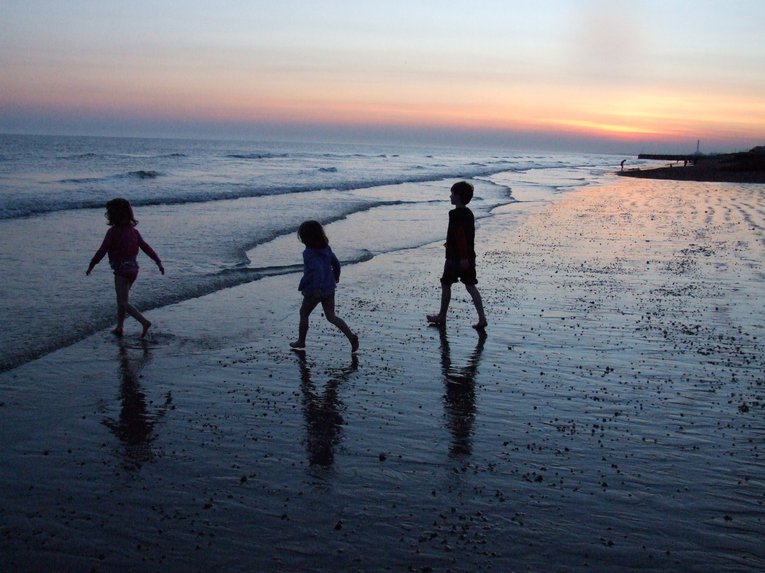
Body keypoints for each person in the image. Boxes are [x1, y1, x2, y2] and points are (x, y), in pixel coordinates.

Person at [86, 198, 164, 337]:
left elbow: (102, 250)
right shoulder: (134, 232)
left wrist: (92, 264)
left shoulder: (113, 232)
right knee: (122, 300)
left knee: (122, 302)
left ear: (113, 215)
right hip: (134, 270)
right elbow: (146, 248)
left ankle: (144, 321)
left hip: (121, 271)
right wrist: (158, 262)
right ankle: (120, 326)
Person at [290, 220, 359, 352]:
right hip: (329, 288)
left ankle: (301, 341)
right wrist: (336, 277)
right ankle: (351, 337)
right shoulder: (326, 249)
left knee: (303, 313)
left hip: (314, 290)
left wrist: (316, 288)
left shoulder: (309, 253)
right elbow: (336, 264)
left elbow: (318, 270)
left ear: (306, 238)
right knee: (331, 316)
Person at [427, 181, 487, 330]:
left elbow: (460, 235)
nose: (450, 196)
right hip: (467, 256)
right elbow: (463, 235)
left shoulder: (454, 214)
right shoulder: (469, 213)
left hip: (456, 258)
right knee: (470, 286)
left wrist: (462, 257)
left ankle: (442, 315)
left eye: (452, 193)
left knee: (446, 284)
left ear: (458, 196)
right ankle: (482, 318)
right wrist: (452, 245)